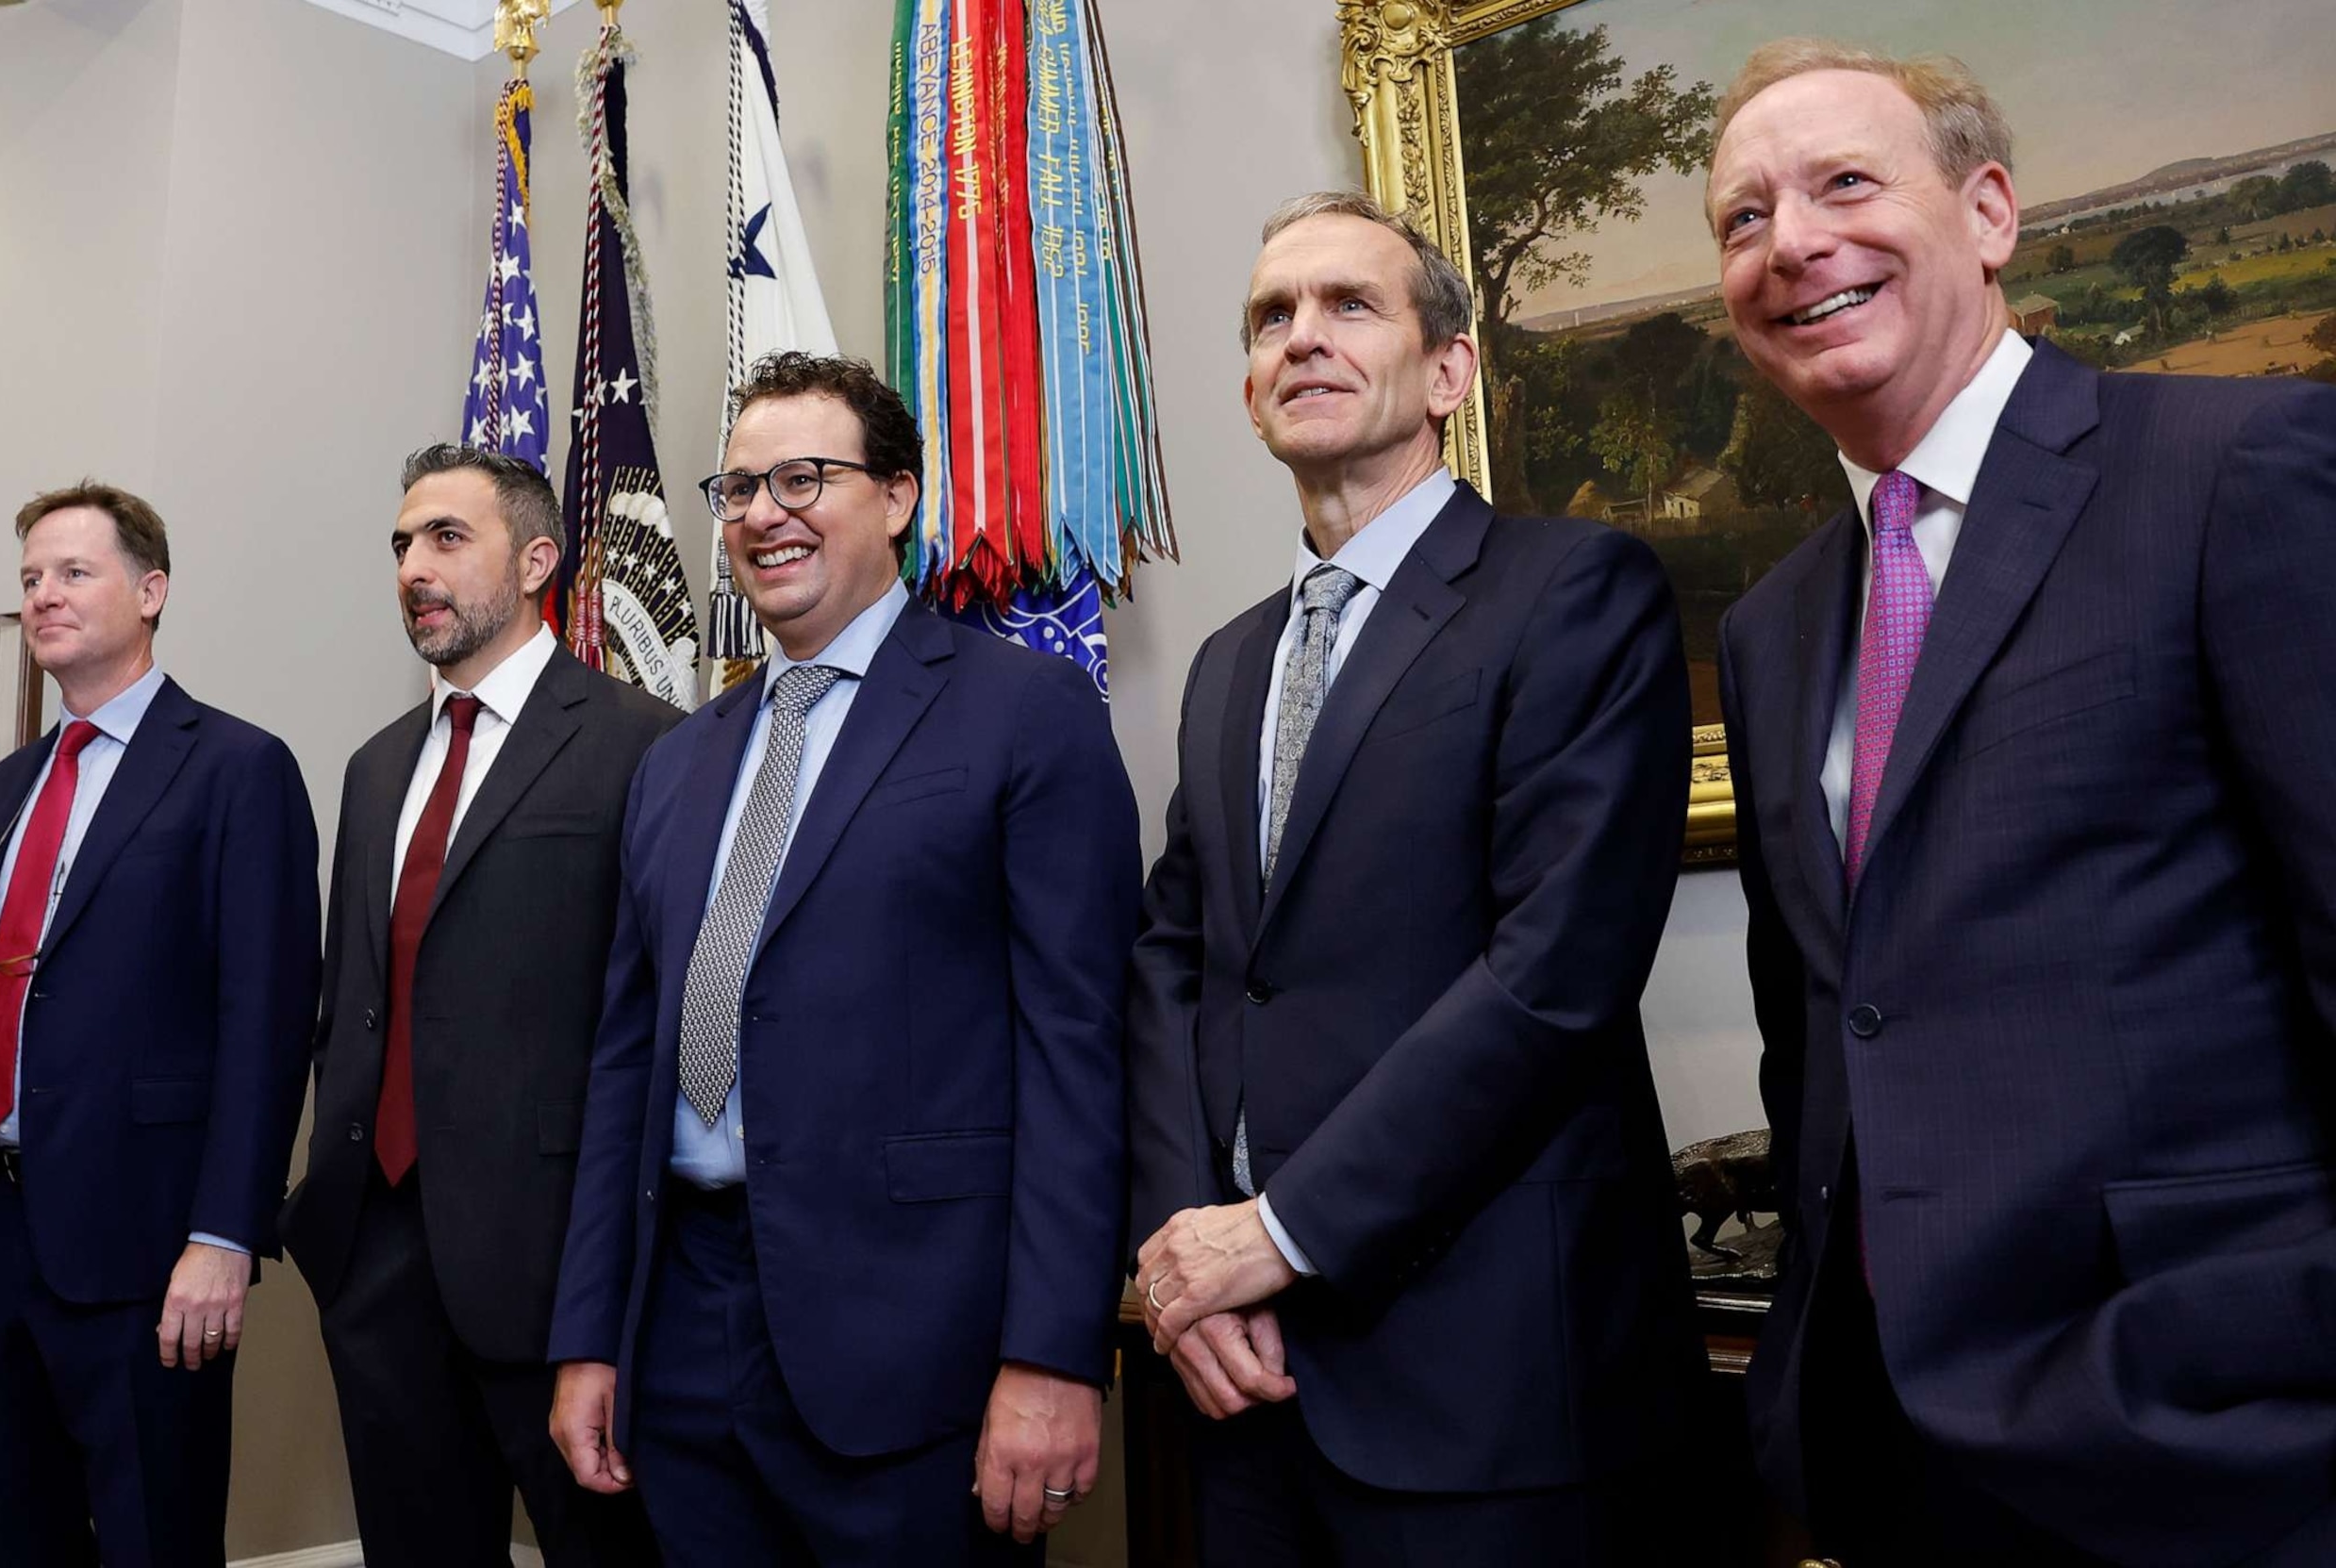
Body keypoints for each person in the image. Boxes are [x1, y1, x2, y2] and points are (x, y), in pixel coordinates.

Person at [1709, 41, 2336, 1565]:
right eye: (1740, 217)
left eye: (1844, 183)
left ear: (1987, 211)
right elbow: (1827, 1034)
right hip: (1901, 1454)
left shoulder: (2232, 467)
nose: (1790, 241)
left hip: (2220, 1433)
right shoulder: (1777, 623)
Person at [1123, 190, 1696, 1564]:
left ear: (1448, 371)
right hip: (1245, 1380)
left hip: (1488, 1386)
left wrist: (1284, 1229)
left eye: (1348, 305)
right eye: (1272, 316)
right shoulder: (1228, 664)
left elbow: (1556, 973)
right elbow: (1175, 966)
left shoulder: (1575, 592)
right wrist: (1187, 1259)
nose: (1301, 337)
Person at [545, 353, 1141, 1562]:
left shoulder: (1025, 713)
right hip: (682, 1339)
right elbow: (625, 1067)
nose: (765, 512)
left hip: (918, 1348)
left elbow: (1082, 1053)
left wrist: (1054, 1351)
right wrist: (591, 1337)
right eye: (741, 487)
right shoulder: (679, 761)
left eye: (805, 478)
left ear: (901, 495)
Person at [0, 481, 320, 1568]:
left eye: (73, 572)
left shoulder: (235, 766)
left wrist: (226, 1235)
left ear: (152, 589)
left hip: (143, 1239)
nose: (44, 596)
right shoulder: (6, 786)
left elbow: (264, 1020)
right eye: (30, 578)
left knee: (150, 1538)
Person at [281, 445, 674, 1567]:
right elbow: (353, 998)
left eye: (447, 538)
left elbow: (647, 1020)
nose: (414, 565)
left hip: (554, 1266)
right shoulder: (375, 765)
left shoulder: (640, 743)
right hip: (377, 1259)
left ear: (538, 558)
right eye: (402, 544)